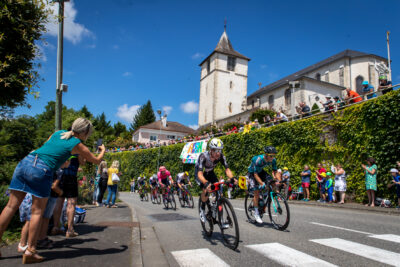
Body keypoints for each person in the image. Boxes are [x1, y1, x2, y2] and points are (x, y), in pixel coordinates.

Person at [0, 117, 105, 263]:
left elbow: (46, 147)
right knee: (37, 211)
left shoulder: (58, 133)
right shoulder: (78, 144)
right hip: (42, 169)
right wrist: (103, 150)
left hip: (26, 161)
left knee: (10, 206)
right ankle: (30, 251)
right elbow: (97, 160)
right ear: (85, 132)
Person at [195, 138, 234, 224]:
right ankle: (202, 208)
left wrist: (232, 179)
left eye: (219, 150)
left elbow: (227, 169)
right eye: (215, 150)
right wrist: (206, 183)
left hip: (210, 172)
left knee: (219, 189)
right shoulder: (203, 156)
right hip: (200, 173)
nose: (218, 153)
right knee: (206, 189)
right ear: (211, 150)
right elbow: (200, 174)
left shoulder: (221, 156)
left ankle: (215, 207)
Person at [247, 146, 278, 223]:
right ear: (266, 155)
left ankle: (266, 197)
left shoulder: (273, 160)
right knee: (256, 192)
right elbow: (255, 175)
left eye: (273, 155)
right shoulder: (258, 160)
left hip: (260, 172)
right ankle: (256, 213)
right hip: (252, 174)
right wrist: (261, 183)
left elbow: (275, 171)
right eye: (271, 156)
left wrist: (278, 180)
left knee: (272, 183)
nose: (272, 157)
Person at [62, 154, 84, 238]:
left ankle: (56, 226)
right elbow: (82, 162)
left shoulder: (62, 144)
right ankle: (70, 229)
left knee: (59, 201)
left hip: (60, 175)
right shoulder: (77, 147)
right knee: (71, 204)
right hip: (71, 176)